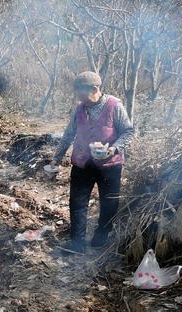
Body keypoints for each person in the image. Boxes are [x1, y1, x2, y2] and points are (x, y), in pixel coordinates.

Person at [46, 71, 134, 255]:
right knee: (77, 203)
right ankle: (77, 244)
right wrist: (56, 157)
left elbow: (128, 132)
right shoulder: (79, 109)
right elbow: (69, 134)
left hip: (110, 165)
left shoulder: (114, 105)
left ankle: (101, 237)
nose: (80, 100)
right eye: (78, 95)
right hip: (82, 163)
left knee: (109, 203)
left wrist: (114, 149)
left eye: (82, 95)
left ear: (95, 89)